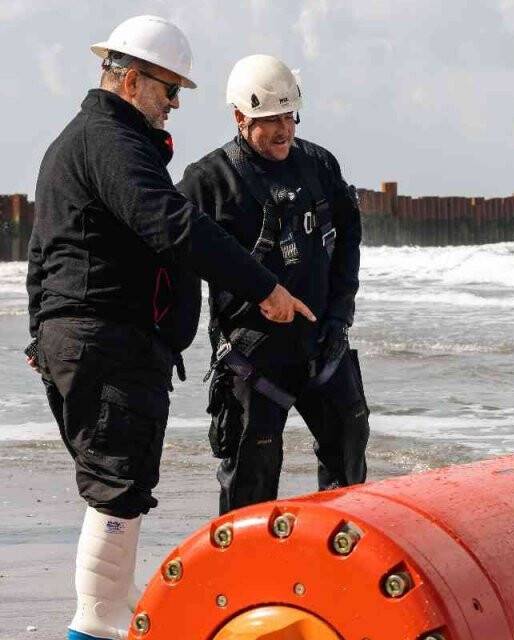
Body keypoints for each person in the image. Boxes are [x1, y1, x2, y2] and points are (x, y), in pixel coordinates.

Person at [26, 16, 315, 640]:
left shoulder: (78, 140)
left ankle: (110, 609)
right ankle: (95, 625)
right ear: (131, 81)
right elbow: (171, 224)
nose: (176, 105)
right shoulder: (111, 142)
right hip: (107, 342)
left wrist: (39, 332)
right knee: (117, 488)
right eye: (169, 90)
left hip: (84, 339)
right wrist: (265, 286)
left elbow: (41, 250)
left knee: (115, 487)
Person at [177, 54, 369, 516]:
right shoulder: (206, 181)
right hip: (252, 357)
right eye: (270, 120)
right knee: (250, 482)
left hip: (323, 344)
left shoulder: (319, 165)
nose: (284, 130)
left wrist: (341, 314)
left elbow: (348, 240)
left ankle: (337, 573)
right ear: (240, 117)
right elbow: (178, 261)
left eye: (290, 116)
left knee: (349, 463)